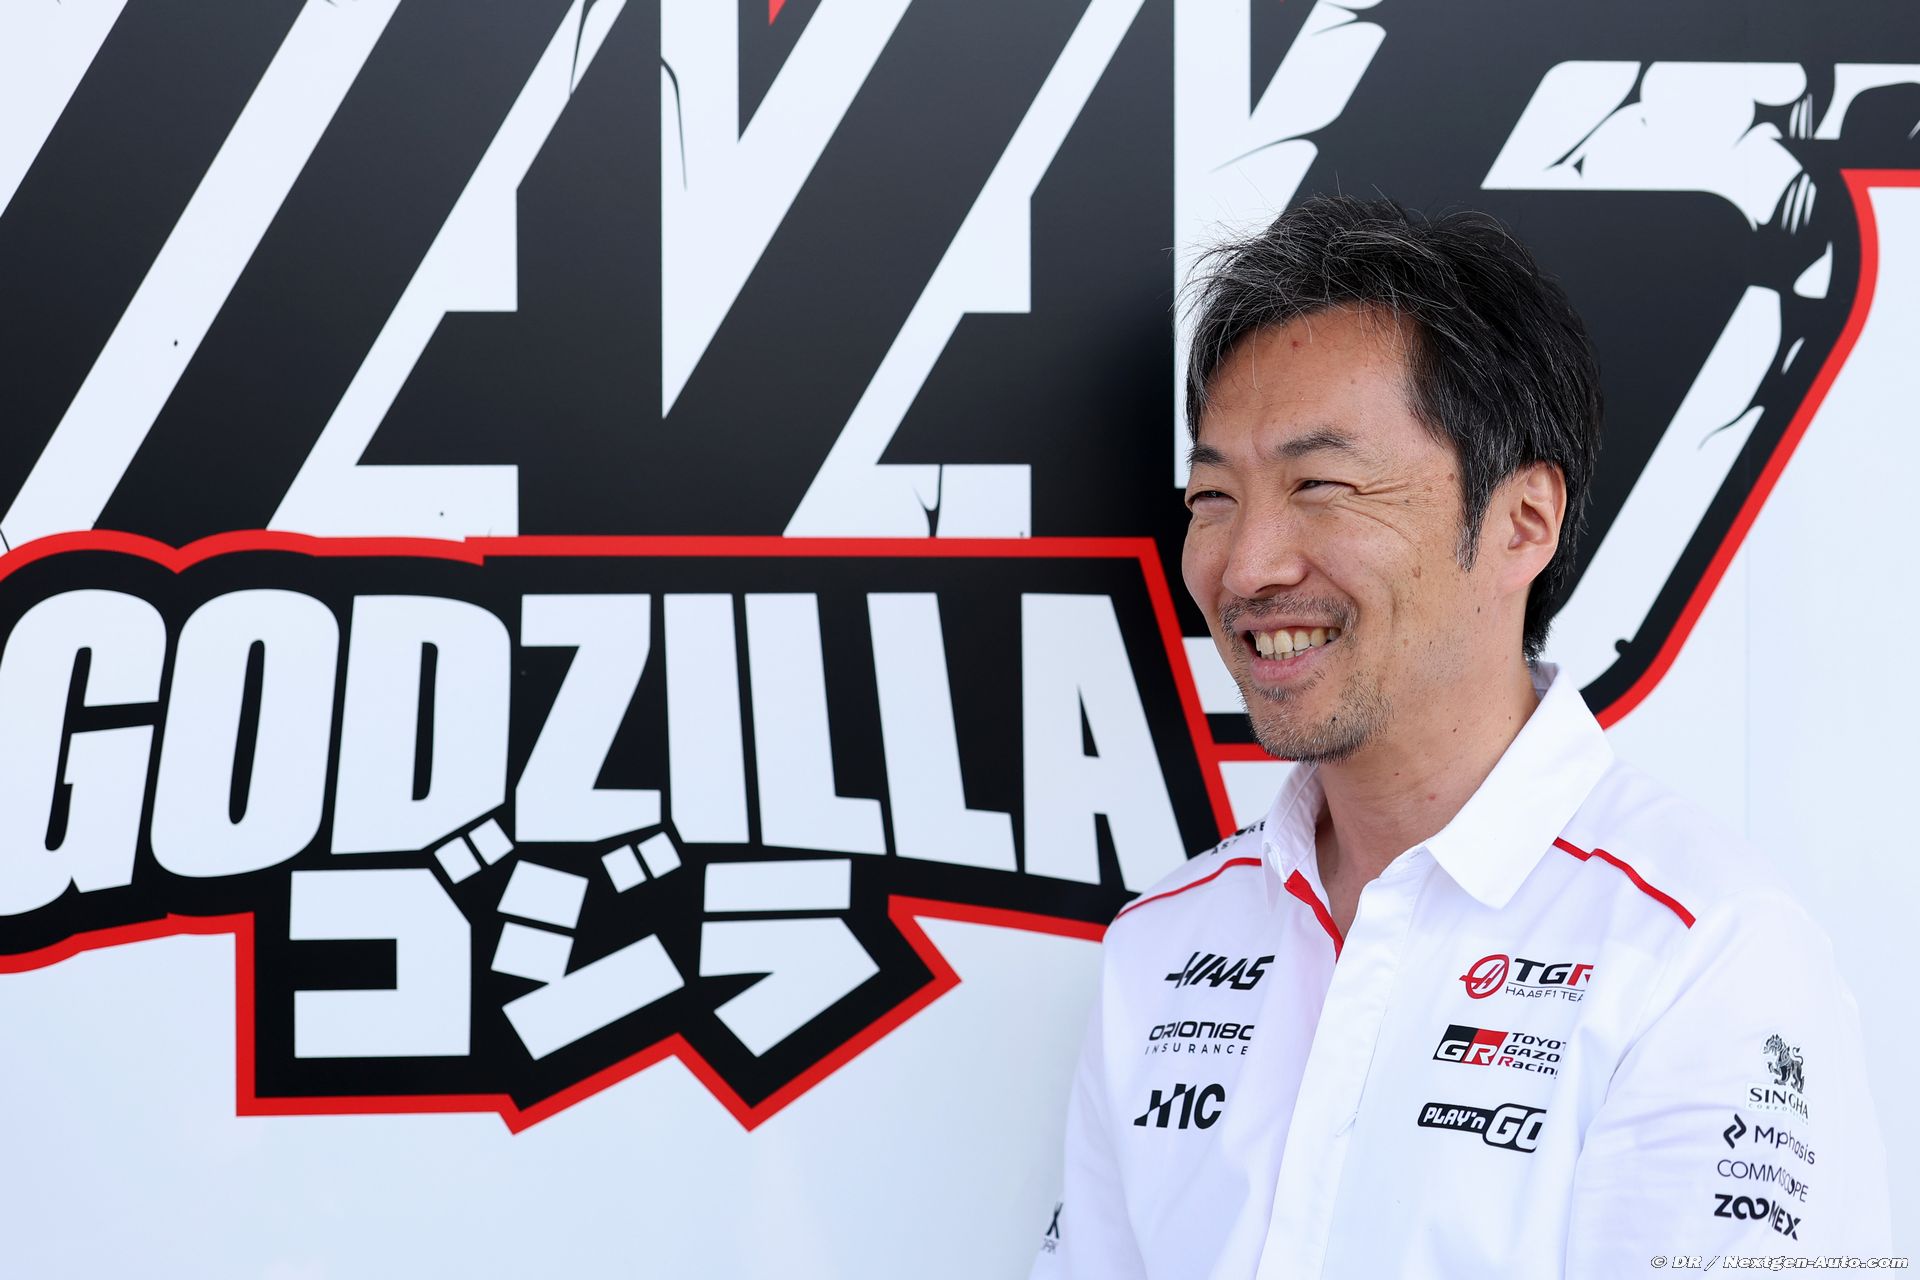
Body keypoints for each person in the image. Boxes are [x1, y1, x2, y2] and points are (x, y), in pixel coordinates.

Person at [1030, 195, 1891, 1278]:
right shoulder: (1159, 946)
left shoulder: (1697, 955)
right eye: (1212, 497)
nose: (1245, 567)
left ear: (1524, 521)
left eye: (1320, 485)